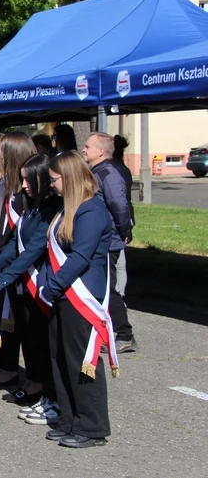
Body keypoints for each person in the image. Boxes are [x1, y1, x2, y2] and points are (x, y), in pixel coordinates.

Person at [40, 150, 117, 449]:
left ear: (69, 178)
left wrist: (53, 286)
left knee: (81, 362)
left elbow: (80, 257)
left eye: (54, 180)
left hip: (81, 295)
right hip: (63, 294)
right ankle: (69, 419)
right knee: (59, 358)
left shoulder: (92, 210)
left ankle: (93, 427)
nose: (51, 186)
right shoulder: (68, 209)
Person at [0, 153, 61, 425]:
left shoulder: (52, 208)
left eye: (28, 180)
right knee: (29, 338)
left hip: (39, 283)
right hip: (23, 284)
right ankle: (36, 385)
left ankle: (45, 390)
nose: (24, 185)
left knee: (41, 342)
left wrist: (1, 280)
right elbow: (16, 242)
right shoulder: (33, 205)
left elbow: (34, 249)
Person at [0, 132, 37, 395]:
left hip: (23, 268)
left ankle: (33, 379)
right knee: (7, 319)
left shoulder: (27, 192)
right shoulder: (9, 186)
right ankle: (7, 366)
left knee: (25, 325)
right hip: (6, 261)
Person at [82, 133, 137, 353]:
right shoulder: (96, 172)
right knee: (100, 287)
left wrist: (125, 231)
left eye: (88, 146)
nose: (84, 149)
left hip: (109, 241)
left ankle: (125, 335)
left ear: (101, 151)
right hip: (99, 239)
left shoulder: (108, 173)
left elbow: (120, 207)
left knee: (108, 289)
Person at [112, 135, 133, 299]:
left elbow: (119, 203)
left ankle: (118, 294)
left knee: (118, 261)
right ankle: (120, 292)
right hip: (125, 217)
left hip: (118, 218)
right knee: (120, 261)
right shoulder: (123, 168)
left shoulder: (114, 171)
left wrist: (124, 228)